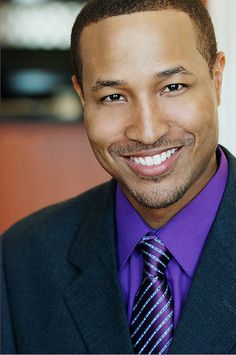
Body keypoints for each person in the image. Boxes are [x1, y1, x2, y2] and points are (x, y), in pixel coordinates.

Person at [1, 0, 236, 353]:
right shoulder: (23, 259)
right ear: (82, 96)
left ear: (216, 79)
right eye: (113, 96)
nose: (146, 131)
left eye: (172, 87)